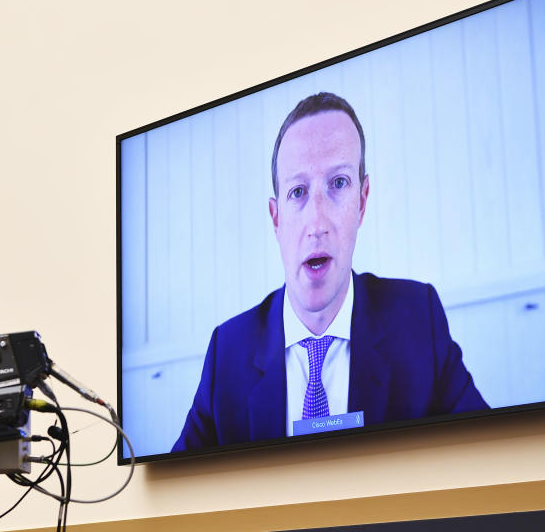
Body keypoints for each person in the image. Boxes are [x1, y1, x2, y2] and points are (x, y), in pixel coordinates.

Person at [172, 92, 487, 451]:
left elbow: (484, 456)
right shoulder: (227, 354)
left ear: (362, 202)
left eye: (338, 184)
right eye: (298, 192)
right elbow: (178, 490)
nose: (317, 222)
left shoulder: (419, 321)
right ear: (276, 219)